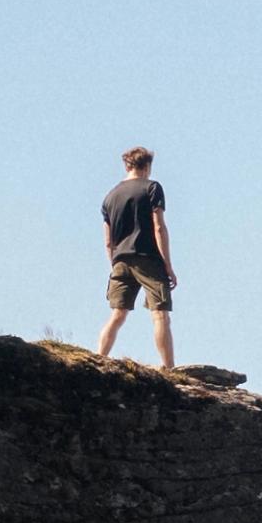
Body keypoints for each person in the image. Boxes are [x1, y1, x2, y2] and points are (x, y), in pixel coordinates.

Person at [93, 146, 178, 368]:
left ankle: (99, 359)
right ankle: (169, 368)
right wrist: (167, 264)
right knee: (160, 315)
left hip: (120, 260)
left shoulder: (110, 196)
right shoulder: (152, 188)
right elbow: (159, 227)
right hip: (148, 257)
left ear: (127, 165)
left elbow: (107, 239)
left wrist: (114, 262)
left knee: (117, 313)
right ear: (147, 166)